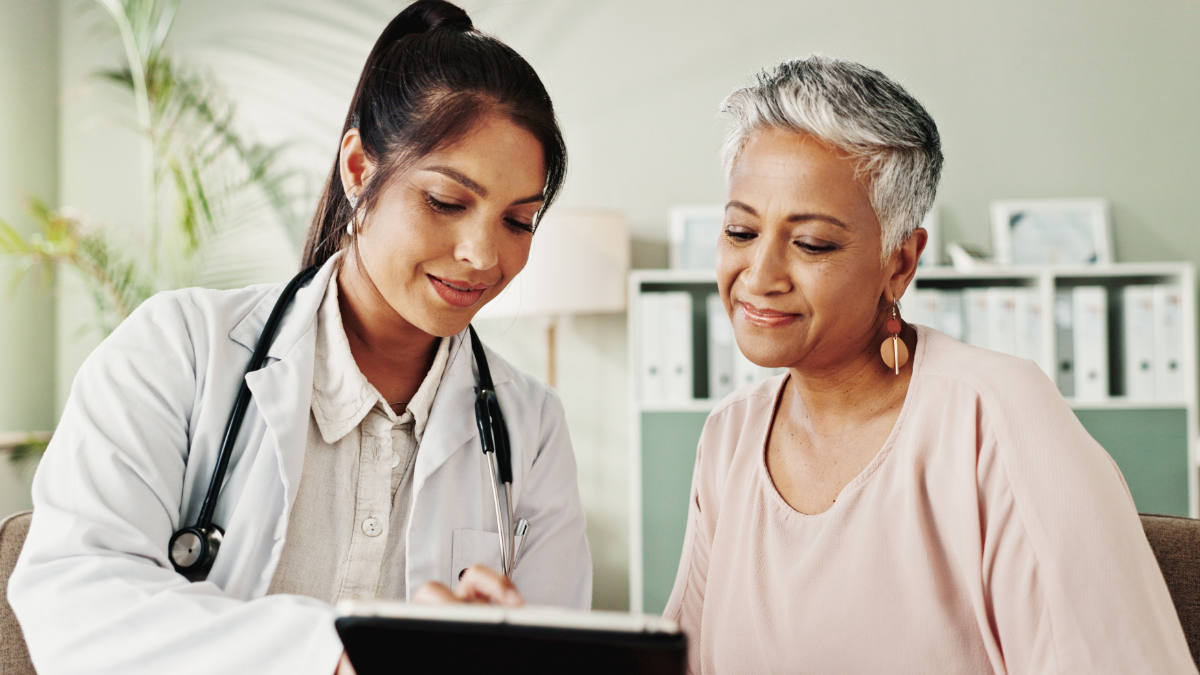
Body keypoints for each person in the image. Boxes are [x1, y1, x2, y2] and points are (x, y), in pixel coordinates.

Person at [9, 2, 591, 674]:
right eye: (446, 201)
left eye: (518, 221)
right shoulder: (178, 350)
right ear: (358, 169)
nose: (482, 255)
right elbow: (77, 602)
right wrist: (348, 653)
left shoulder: (531, 426)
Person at [664, 55, 1195, 674]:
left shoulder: (996, 416)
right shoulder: (729, 437)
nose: (760, 275)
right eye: (739, 232)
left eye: (812, 243)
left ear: (900, 262)